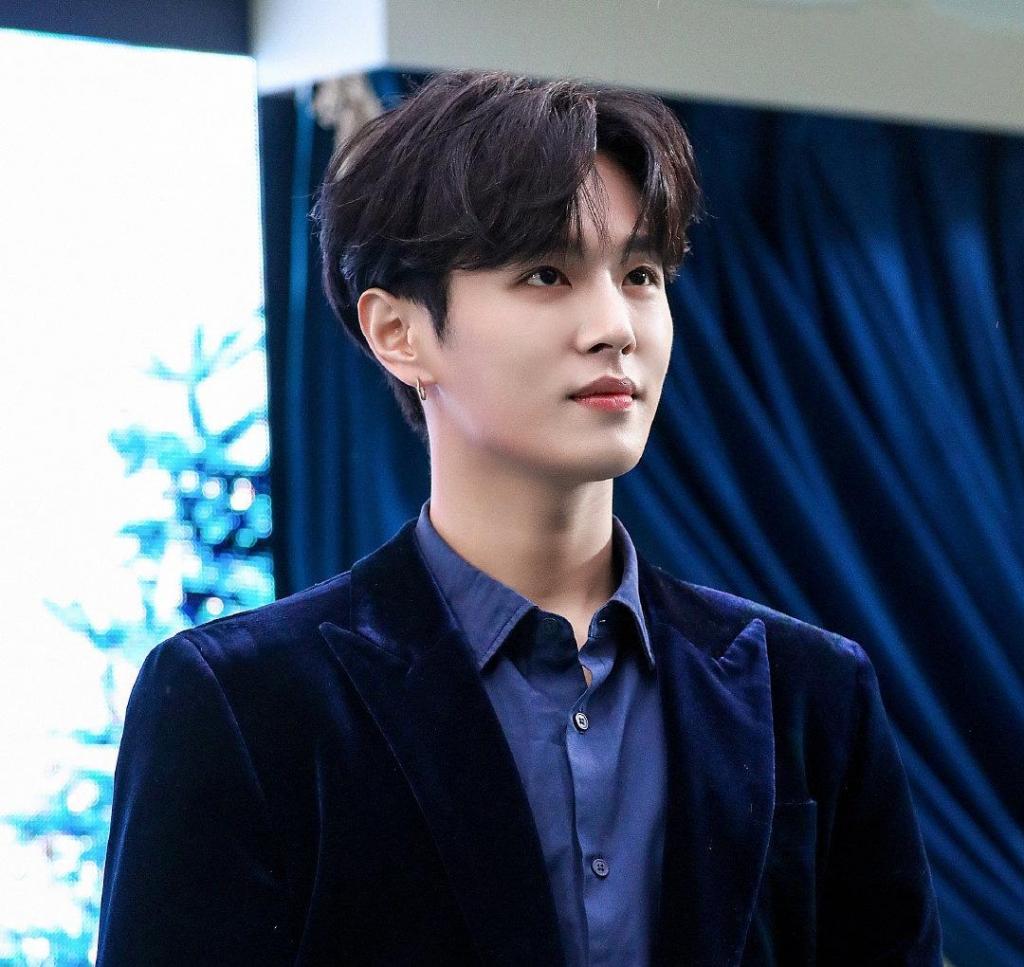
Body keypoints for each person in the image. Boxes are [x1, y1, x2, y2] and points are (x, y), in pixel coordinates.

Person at [96, 70, 942, 966]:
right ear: (398, 332)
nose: (615, 325)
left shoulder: (809, 692)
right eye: (547, 273)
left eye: (641, 274)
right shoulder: (244, 704)